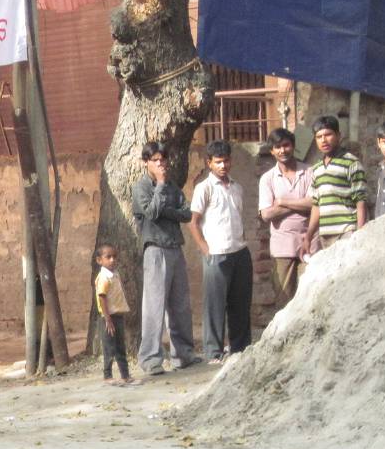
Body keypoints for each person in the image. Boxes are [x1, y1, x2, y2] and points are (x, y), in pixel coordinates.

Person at [132, 141, 198, 375]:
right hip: (155, 250)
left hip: (174, 248)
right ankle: (150, 359)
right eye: (155, 160)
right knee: (154, 306)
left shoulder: (173, 187)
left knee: (180, 304)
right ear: (146, 163)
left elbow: (187, 213)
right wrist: (159, 186)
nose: (160, 164)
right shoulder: (141, 187)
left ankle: (183, 355)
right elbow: (149, 212)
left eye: (163, 160)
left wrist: (166, 211)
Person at [188, 139, 252, 363]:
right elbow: (193, 221)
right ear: (209, 163)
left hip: (239, 251)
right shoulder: (203, 188)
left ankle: (240, 349)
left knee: (240, 303)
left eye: (226, 161)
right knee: (215, 305)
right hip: (217, 253)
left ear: (231, 161)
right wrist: (205, 249)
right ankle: (214, 352)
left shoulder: (237, 187)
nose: (223, 165)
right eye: (218, 162)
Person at [257, 127, 315, 308]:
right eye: (277, 147)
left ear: (293, 146)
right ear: (272, 151)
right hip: (282, 248)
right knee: (284, 301)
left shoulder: (309, 172)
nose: (283, 150)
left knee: (310, 298)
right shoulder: (267, 179)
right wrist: (300, 203)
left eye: (286, 145)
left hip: (310, 243)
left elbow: (315, 203)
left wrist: (282, 202)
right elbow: (266, 214)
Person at [300, 114, 366, 254]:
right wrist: (308, 237)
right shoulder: (316, 168)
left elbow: (360, 201)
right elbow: (316, 205)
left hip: (347, 232)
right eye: (319, 137)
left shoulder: (352, 163)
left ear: (338, 135)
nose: (323, 140)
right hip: (326, 235)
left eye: (328, 134)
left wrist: (360, 234)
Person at [93, 243, 139, 386]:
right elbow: (102, 297)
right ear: (99, 260)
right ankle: (107, 376)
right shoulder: (104, 277)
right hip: (108, 318)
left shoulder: (115, 274)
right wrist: (107, 319)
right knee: (109, 348)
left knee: (120, 347)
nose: (112, 260)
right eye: (108, 257)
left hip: (117, 316)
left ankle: (125, 376)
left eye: (114, 257)